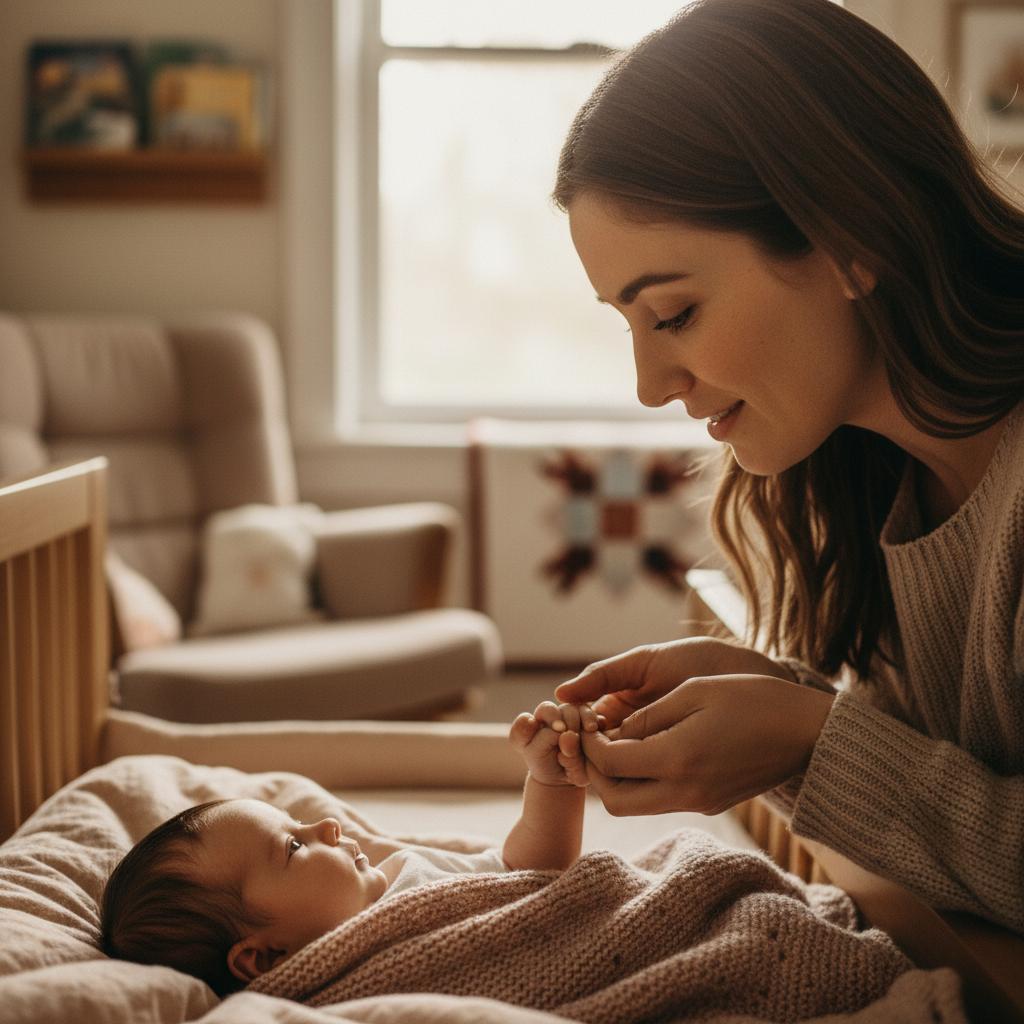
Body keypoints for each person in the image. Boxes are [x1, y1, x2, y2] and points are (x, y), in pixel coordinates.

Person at [550, 0, 1024, 934]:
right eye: (629, 324)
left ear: (851, 238)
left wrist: (810, 740)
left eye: (674, 314)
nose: (650, 385)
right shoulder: (874, 477)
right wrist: (784, 707)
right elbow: (970, 784)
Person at [99, 700, 597, 996]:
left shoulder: (409, 871)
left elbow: (532, 871)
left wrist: (550, 781)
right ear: (264, 959)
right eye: (293, 846)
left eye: (300, 823)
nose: (329, 826)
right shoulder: (336, 999)